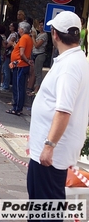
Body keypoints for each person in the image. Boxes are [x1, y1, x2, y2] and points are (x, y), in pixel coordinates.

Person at [27, 11, 89, 210]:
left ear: (55, 34)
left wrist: (49, 145)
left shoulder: (70, 66)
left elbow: (63, 110)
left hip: (52, 153)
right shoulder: (74, 60)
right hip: (50, 150)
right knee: (40, 204)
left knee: (46, 208)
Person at [6, 21, 33, 116]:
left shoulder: (24, 38)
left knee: (17, 87)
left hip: (20, 65)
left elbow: (22, 53)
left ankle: (17, 108)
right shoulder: (29, 38)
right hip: (22, 65)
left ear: (22, 29)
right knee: (20, 87)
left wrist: (26, 61)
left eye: (19, 28)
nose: (18, 30)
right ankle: (18, 107)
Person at [27, 19, 48, 96]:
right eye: (40, 25)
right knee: (33, 72)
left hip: (40, 54)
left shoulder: (44, 35)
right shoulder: (39, 34)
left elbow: (37, 45)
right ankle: (31, 87)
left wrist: (33, 37)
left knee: (38, 73)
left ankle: (37, 89)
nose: (40, 27)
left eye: (42, 25)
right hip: (35, 54)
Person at [1, 22, 19, 91]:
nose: (9, 27)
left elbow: (9, 44)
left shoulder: (14, 35)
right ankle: (5, 84)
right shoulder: (11, 34)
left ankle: (6, 85)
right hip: (8, 53)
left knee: (6, 70)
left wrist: (5, 44)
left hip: (9, 53)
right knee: (5, 69)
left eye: (11, 26)